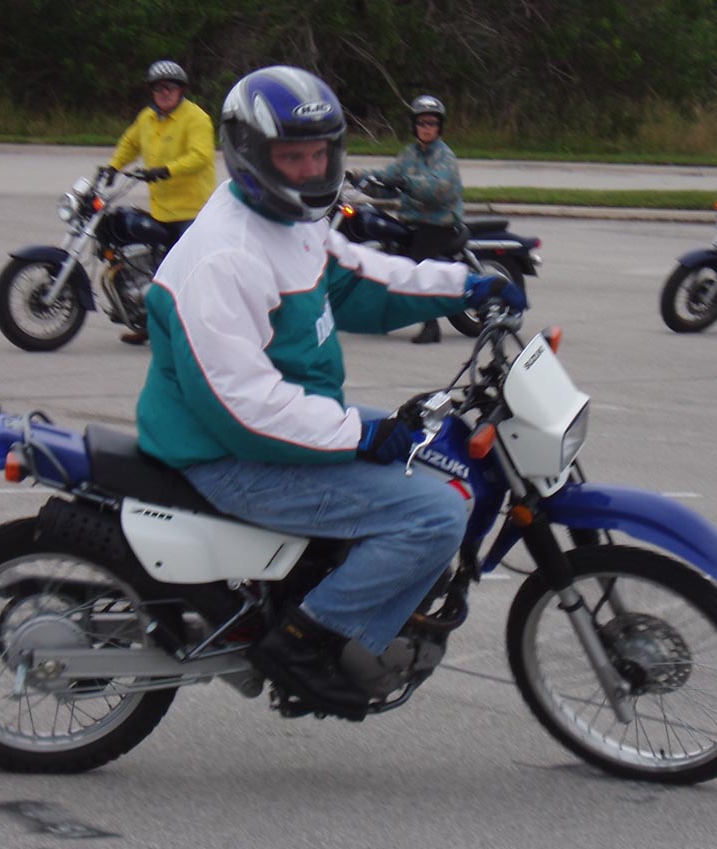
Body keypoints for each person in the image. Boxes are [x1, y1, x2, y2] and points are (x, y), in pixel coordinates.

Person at [135, 66, 525, 720]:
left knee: (441, 455)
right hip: (226, 454)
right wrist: (359, 435)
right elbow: (240, 408)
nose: (312, 169)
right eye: (293, 156)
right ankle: (300, 643)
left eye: (321, 153)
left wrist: (464, 285)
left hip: (285, 424)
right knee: (433, 515)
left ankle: (332, 598)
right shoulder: (224, 256)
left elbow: (358, 280)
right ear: (250, 155)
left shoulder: (286, 221)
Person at [105, 59, 216, 344]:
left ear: (181, 89)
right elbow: (130, 143)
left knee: (184, 277)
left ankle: (193, 332)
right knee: (155, 270)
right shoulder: (147, 118)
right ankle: (146, 320)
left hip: (192, 211)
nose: (164, 92)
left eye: (170, 87)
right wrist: (113, 167)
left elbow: (201, 156)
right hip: (162, 210)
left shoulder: (196, 118)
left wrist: (165, 170)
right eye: (158, 88)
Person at [349, 95, 465, 344]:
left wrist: (406, 183)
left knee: (416, 267)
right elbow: (388, 178)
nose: (426, 128)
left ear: (439, 127)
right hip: (412, 220)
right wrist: (360, 178)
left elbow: (439, 188)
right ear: (414, 125)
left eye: (432, 123)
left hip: (438, 222)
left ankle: (431, 326)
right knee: (388, 255)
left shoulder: (445, 156)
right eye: (422, 123)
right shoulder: (409, 154)